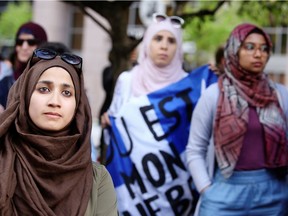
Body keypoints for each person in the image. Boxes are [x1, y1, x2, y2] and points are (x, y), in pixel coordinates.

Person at [101, 13, 202, 215]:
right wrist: (108, 121)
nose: (164, 46)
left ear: (179, 47)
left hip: (177, 187)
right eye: (158, 38)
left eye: (171, 40)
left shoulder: (190, 87)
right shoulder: (127, 81)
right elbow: (115, 125)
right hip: (134, 187)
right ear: (147, 43)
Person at [186, 23, 288, 216]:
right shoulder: (214, 94)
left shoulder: (280, 96)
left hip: (274, 194)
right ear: (234, 50)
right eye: (249, 47)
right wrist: (207, 190)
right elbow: (195, 149)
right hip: (225, 190)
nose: (258, 54)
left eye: (264, 48)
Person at [0, 48, 118, 215]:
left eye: (67, 93)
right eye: (44, 89)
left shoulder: (97, 180)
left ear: (78, 106)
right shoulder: (3, 163)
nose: (55, 101)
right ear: (24, 95)